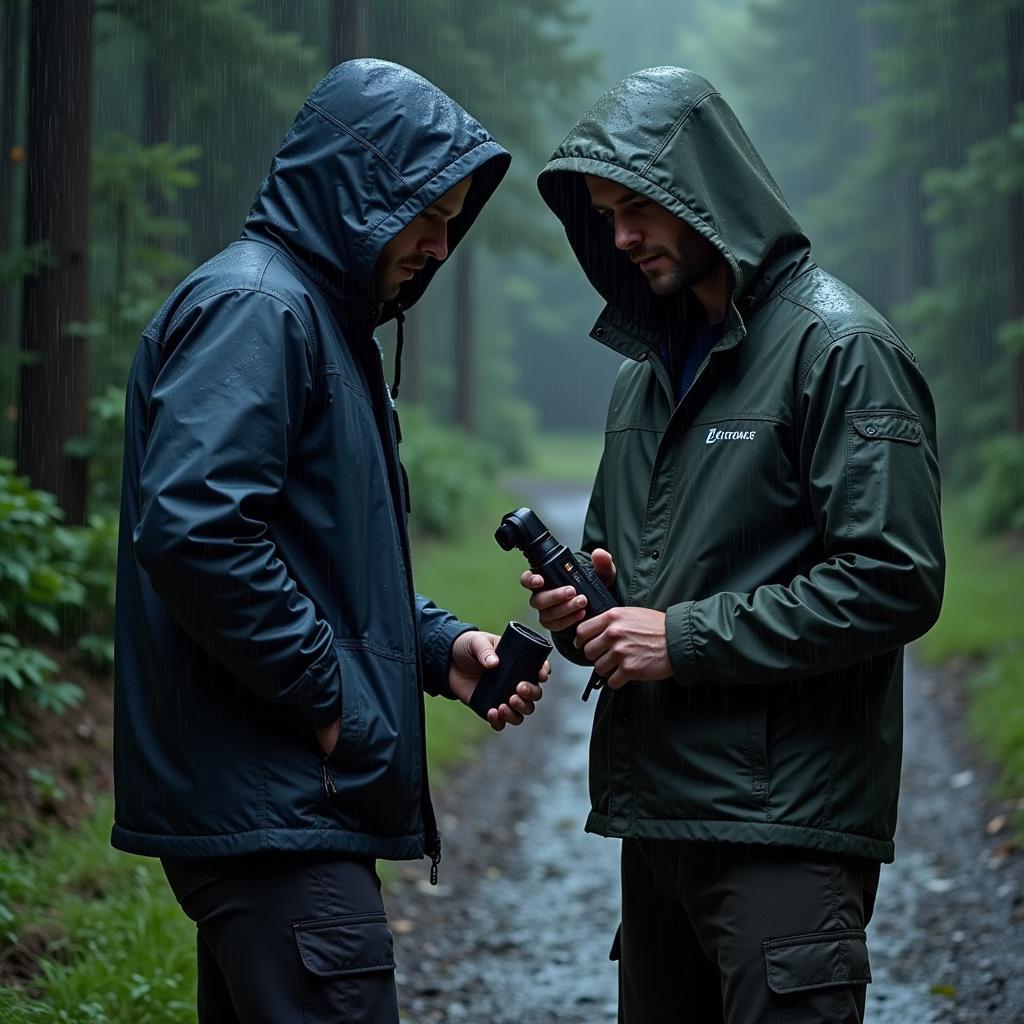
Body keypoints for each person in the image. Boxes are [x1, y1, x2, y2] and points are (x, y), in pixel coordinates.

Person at [112, 59, 546, 1024]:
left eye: (453, 222)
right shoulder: (259, 310)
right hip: (276, 807)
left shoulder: (306, 314)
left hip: (280, 807)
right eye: (427, 216)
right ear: (358, 190)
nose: (439, 246)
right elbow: (195, 533)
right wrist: (332, 699)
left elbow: (312, 555)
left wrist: (439, 651)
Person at [524, 67, 944, 1023]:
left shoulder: (840, 350)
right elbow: (624, 572)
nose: (620, 235)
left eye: (638, 208)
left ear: (705, 193)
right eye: (605, 213)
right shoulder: (644, 379)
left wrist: (683, 638)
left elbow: (896, 580)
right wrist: (582, 615)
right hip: (657, 826)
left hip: (783, 832)